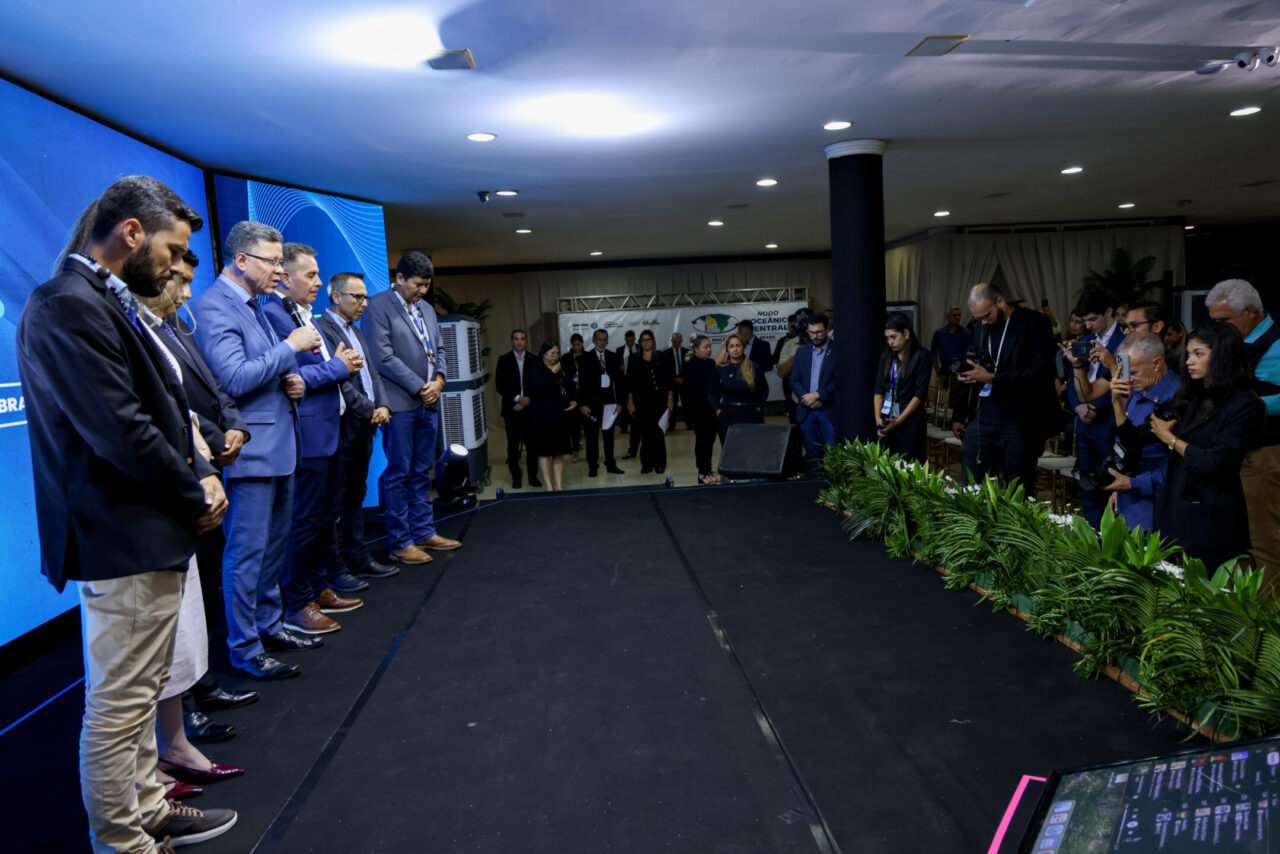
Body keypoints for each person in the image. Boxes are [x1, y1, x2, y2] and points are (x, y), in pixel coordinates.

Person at [18, 175, 236, 851]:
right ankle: (125, 841)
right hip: (123, 533)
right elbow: (121, 431)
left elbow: (162, 413)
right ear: (132, 233)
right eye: (172, 250)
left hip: (144, 530)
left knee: (138, 697)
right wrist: (195, 493)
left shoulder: (103, 301)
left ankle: (147, 807)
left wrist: (201, 472)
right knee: (120, 707)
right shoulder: (66, 305)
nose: (177, 267)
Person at [190, 221, 322, 680]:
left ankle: (269, 626)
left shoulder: (255, 305)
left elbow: (261, 371)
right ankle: (245, 649)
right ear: (242, 260)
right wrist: (289, 348)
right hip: (250, 451)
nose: (280, 271)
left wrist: (291, 379)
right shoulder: (214, 305)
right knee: (246, 556)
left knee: (271, 551)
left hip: (279, 446)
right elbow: (233, 379)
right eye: (273, 262)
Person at [137, 254, 256, 740]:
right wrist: (206, 441)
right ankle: (181, 710)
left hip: (204, 466)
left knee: (203, 584)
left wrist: (234, 427)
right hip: (175, 479)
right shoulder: (137, 334)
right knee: (176, 606)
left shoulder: (176, 330)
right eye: (179, 282)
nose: (187, 294)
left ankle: (202, 682)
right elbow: (170, 410)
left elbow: (213, 390)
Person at [266, 243, 366, 635]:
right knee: (304, 521)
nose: (319, 282)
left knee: (325, 517)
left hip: (329, 431)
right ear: (285, 277)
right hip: (307, 436)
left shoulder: (304, 315)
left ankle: (318, 586)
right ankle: (297, 603)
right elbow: (291, 379)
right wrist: (339, 367)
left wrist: (337, 365)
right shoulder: (274, 316)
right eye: (310, 275)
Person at [362, 251, 461, 564]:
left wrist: (439, 380)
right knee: (399, 473)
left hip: (429, 403)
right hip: (400, 404)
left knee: (421, 471)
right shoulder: (378, 306)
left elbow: (440, 349)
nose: (423, 291)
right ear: (400, 278)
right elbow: (382, 357)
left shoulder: (427, 309)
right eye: (418, 284)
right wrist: (421, 386)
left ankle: (423, 531)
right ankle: (400, 541)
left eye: (427, 285)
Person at [1151, 324, 1264, 569]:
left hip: (1210, 523)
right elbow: (1144, 434)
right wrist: (1118, 399)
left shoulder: (1246, 405)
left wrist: (1171, 440)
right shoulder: (1191, 395)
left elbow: (1216, 462)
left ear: (1222, 356)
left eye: (1198, 354)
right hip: (1173, 512)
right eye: (1188, 354)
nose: (1188, 361)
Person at [316, 272, 398, 583]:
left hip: (363, 427)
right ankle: (334, 567)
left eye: (365, 297)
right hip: (341, 428)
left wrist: (384, 405)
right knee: (333, 502)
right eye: (358, 297)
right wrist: (370, 411)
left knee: (355, 495)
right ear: (336, 297)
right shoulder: (321, 329)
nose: (364, 303)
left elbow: (372, 375)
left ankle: (358, 557)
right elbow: (340, 383)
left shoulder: (356, 330)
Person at [1206, 278, 1280, 591]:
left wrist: (1240, 407)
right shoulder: (1232, 341)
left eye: (1224, 321)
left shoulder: (1277, 342)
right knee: (1236, 539)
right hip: (1231, 454)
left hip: (1263, 454)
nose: (1217, 329)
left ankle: (1267, 614)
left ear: (1250, 312)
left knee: (1263, 540)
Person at [951, 282, 1059, 490]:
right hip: (986, 413)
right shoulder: (980, 327)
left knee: (1018, 487)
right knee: (973, 483)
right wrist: (968, 377)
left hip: (1022, 416)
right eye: (979, 318)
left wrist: (993, 378)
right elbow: (976, 361)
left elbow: (1042, 372)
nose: (984, 322)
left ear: (999, 301)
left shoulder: (1034, 323)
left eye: (986, 315)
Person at [1100, 332, 1181, 532]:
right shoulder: (1137, 390)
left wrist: (1133, 483)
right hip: (1129, 503)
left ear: (1157, 363)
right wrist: (1120, 488)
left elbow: (1179, 465)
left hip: (1160, 509)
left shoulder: (1178, 398)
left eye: (1133, 372)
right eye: (1125, 372)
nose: (1128, 378)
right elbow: (1125, 443)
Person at [1063, 288, 1126, 526]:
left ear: (1108, 312)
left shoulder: (1125, 341)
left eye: (1092, 319)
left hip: (1109, 421)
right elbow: (1072, 380)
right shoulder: (1085, 341)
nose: (1087, 325)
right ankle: (1092, 536)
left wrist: (1093, 405)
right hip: (1085, 424)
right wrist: (1079, 406)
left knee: (1111, 486)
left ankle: (1111, 538)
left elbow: (1121, 383)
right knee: (1088, 487)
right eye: (1084, 320)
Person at [874, 312, 932, 461]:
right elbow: (879, 390)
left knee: (910, 464)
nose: (890, 342)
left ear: (906, 333)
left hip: (910, 420)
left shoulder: (921, 355)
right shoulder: (886, 356)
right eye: (887, 338)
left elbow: (919, 394)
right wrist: (878, 418)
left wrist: (899, 420)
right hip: (888, 417)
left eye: (893, 337)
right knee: (888, 464)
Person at [526, 340, 578, 490]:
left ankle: (558, 485)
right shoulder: (535, 367)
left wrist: (574, 400)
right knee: (544, 453)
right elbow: (538, 388)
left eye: (557, 353)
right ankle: (549, 485)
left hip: (560, 415)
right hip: (543, 417)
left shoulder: (562, 366)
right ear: (543, 353)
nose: (555, 356)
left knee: (558, 452)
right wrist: (552, 372)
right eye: (551, 353)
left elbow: (571, 385)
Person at [577, 329, 626, 477]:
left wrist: (620, 403)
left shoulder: (613, 357)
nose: (602, 342)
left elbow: (619, 383)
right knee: (591, 437)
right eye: (599, 339)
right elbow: (581, 384)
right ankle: (593, 466)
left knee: (609, 436)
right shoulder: (585, 358)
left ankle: (610, 464)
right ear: (594, 341)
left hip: (609, 404)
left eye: (605, 340)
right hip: (591, 405)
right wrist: (582, 404)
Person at [494, 330, 539, 489]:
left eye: (522, 339)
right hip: (512, 409)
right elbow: (500, 385)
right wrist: (517, 399)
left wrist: (527, 401)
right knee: (513, 445)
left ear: (526, 341)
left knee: (532, 445)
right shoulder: (504, 359)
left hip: (530, 409)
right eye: (516, 339)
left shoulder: (534, 359)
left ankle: (533, 477)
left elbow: (538, 384)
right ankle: (516, 477)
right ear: (512, 341)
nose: (519, 342)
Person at [626, 329, 675, 474]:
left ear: (653, 341)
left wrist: (670, 399)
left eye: (649, 339)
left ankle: (660, 463)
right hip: (641, 402)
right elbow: (629, 382)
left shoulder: (662, 356)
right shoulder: (633, 359)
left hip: (660, 401)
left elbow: (669, 380)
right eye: (643, 340)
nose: (646, 342)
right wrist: (630, 402)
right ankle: (646, 464)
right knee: (646, 434)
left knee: (658, 433)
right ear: (640, 342)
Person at [791, 314, 838, 466]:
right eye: (811, 332)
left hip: (828, 409)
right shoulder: (802, 352)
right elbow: (794, 380)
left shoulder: (838, 351)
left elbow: (841, 381)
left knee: (835, 453)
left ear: (827, 329)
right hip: (807, 410)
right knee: (812, 454)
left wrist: (818, 395)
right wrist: (807, 398)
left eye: (819, 332)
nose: (815, 336)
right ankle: (815, 480)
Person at [709, 333, 768, 444]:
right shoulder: (721, 369)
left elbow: (764, 390)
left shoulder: (754, 367)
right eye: (731, 346)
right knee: (729, 450)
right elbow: (711, 391)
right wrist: (717, 409)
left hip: (750, 415)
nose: (735, 349)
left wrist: (759, 408)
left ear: (744, 347)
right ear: (727, 349)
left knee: (751, 449)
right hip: (727, 415)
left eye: (738, 345)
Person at [683, 334, 720, 484]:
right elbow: (714, 364)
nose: (708, 349)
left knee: (710, 439)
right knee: (702, 440)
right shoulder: (694, 363)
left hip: (710, 407)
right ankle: (702, 472)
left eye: (710, 347)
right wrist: (724, 348)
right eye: (705, 347)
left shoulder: (707, 362)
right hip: (698, 408)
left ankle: (707, 469)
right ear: (696, 349)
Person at [560, 333, 586, 459]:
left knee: (586, 424)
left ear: (582, 344)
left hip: (585, 394)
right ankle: (575, 450)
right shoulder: (566, 358)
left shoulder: (588, 356)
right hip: (572, 395)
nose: (576, 347)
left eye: (579, 344)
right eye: (574, 345)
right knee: (574, 425)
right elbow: (563, 376)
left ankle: (590, 452)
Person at [930, 307, 972, 381]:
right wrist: (936, 368)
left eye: (959, 315)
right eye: (954, 315)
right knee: (943, 388)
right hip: (945, 370)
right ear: (948, 317)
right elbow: (933, 352)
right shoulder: (939, 333)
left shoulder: (966, 333)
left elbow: (971, 352)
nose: (957, 317)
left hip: (961, 370)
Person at [662, 331, 690, 430]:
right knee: (672, 403)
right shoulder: (665, 353)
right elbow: (665, 370)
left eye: (678, 341)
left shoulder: (688, 352)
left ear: (681, 341)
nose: (676, 343)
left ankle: (689, 424)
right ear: (671, 341)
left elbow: (690, 368)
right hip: (672, 381)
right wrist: (674, 378)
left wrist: (684, 378)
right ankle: (672, 424)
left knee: (687, 403)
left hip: (685, 381)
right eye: (674, 341)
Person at [616, 329, 639, 443]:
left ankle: (637, 424)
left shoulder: (639, 348)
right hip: (623, 380)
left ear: (634, 339)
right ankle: (624, 426)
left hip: (636, 380)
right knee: (624, 403)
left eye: (631, 340)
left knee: (636, 402)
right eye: (628, 340)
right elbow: (616, 365)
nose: (630, 342)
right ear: (625, 339)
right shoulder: (619, 350)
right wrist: (619, 368)